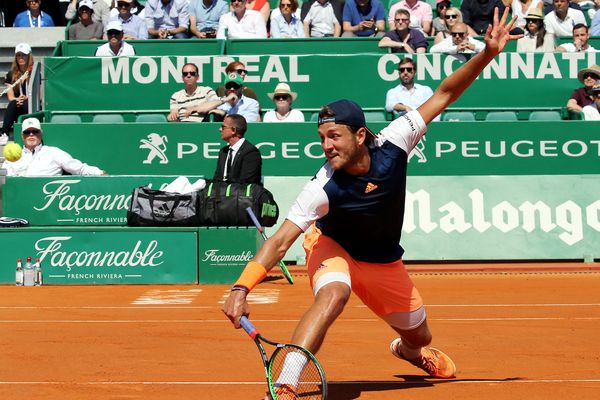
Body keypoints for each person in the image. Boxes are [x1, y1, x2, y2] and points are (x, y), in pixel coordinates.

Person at [223, 9, 521, 400]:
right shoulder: (322, 186)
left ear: (360, 134)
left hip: (383, 262)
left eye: (334, 136)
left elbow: (445, 94)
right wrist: (242, 287)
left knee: (420, 334)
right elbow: (280, 242)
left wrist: (486, 54)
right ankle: (287, 383)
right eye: (322, 137)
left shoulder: (397, 139)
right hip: (334, 248)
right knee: (333, 295)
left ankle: (409, 352)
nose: (326, 146)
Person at [2, 118, 106, 176]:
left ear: (40, 133)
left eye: (35, 131)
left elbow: (79, 168)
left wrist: (100, 173)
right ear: (22, 135)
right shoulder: (13, 156)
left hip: (47, 201)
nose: (31, 134)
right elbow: (4, 179)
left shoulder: (53, 152)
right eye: (27, 132)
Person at [168, 63, 235, 123]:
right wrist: (173, 115)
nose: (188, 76)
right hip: (182, 127)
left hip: (203, 126)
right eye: (185, 74)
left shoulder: (207, 91)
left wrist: (197, 108)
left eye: (192, 73)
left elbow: (216, 103)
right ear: (182, 78)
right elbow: (173, 114)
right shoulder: (175, 96)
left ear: (197, 77)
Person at [213, 114, 262, 184]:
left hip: (241, 194)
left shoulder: (251, 152)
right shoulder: (223, 151)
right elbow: (217, 179)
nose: (220, 129)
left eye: (223, 127)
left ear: (233, 130)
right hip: (222, 193)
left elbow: (247, 181)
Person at [1, 43, 33, 143]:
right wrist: (18, 99)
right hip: (18, 104)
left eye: (24, 55)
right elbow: (10, 97)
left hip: (31, 104)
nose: (21, 58)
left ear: (29, 56)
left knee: (25, 103)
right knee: (13, 103)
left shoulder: (35, 72)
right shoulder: (11, 74)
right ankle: (4, 133)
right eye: (18, 55)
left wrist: (26, 98)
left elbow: (39, 96)